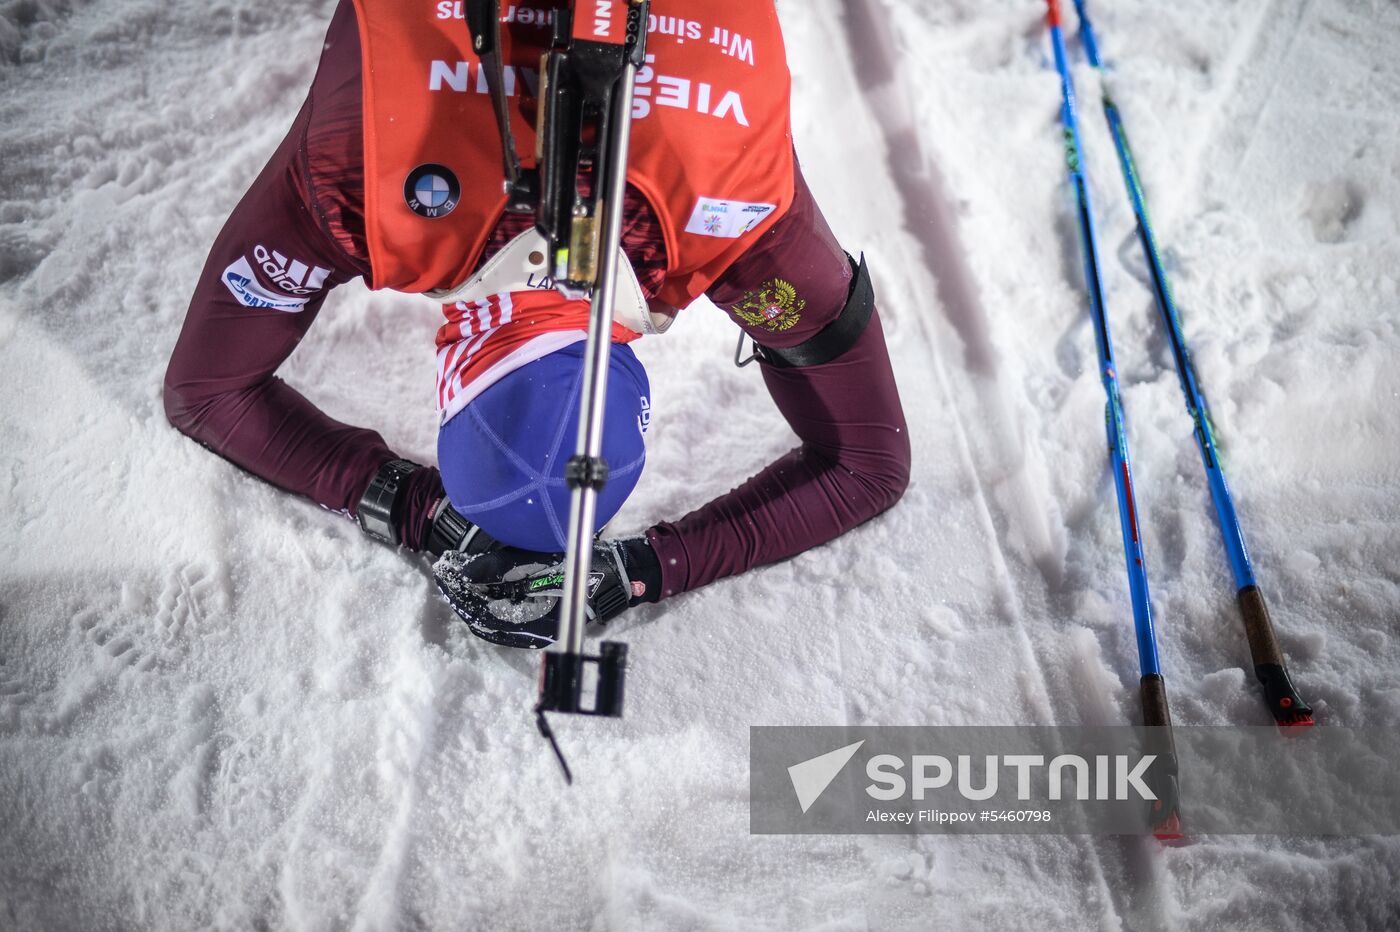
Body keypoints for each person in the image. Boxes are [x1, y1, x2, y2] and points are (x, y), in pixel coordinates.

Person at [163, 0, 910, 648]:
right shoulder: (359, 178)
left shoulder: (740, 223)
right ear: (454, 378)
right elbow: (204, 395)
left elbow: (872, 465)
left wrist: (643, 569)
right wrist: (635, 568)